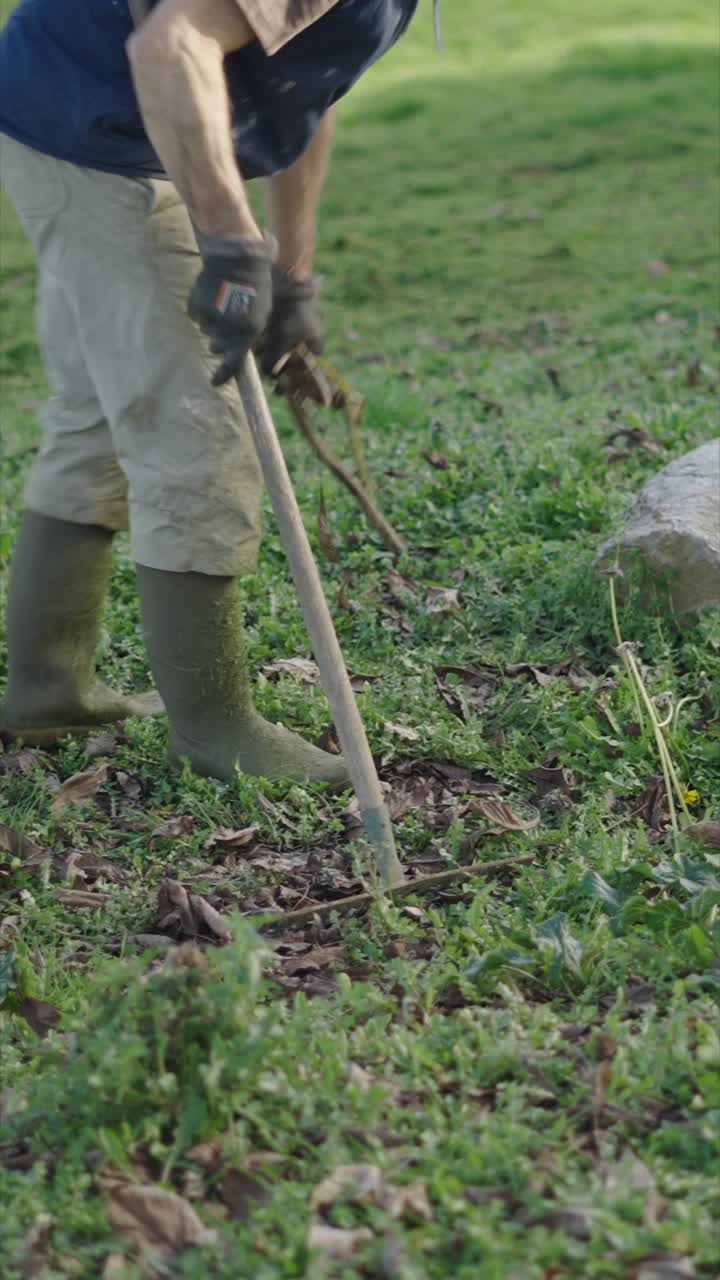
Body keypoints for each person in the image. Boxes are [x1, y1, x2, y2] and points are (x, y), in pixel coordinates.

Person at [0, 0, 418, 783]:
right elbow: (171, 48)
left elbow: (301, 89)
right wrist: (230, 248)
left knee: (99, 416)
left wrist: (292, 274)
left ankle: (47, 691)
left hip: (73, 111)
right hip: (109, 132)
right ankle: (216, 733)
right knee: (193, 434)